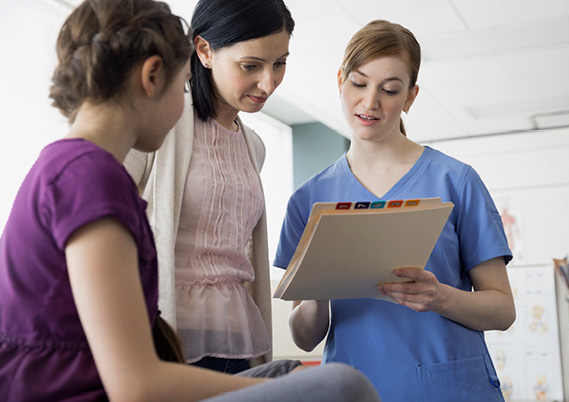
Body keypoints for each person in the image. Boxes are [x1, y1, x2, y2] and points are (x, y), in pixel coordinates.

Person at [0, 1, 381, 401]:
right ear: (152, 77)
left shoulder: (69, 166)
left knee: (294, 373)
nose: (186, 100)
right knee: (341, 384)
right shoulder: (91, 177)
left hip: (204, 346)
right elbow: (136, 384)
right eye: (183, 83)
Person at [274, 19, 516, 402]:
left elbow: (503, 310)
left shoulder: (456, 181)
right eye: (358, 83)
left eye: (389, 90)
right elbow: (304, 338)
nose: (370, 103)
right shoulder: (309, 199)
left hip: (449, 389)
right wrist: (317, 291)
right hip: (356, 389)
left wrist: (441, 298)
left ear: (410, 97)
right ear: (340, 80)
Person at [124, 0, 293, 373]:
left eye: (279, 63)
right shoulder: (159, 126)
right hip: (169, 335)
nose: (268, 82)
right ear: (204, 51)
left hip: (238, 336)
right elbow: (99, 211)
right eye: (251, 66)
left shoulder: (254, 147)